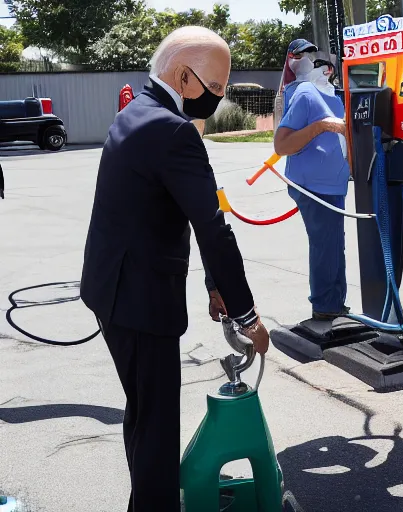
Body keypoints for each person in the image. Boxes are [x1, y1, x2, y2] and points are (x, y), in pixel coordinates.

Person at [80, 26, 269, 512]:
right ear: (185, 77)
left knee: (144, 414)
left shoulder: (137, 112)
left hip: (112, 288)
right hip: (141, 299)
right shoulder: (173, 130)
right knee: (158, 425)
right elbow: (213, 228)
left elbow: (176, 209)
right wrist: (248, 317)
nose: (221, 96)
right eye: (218, 86)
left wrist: (213, 283)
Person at [274, 54, 351, 321]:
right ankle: (325, 307)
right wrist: (322, 126)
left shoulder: (334, 95)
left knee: (333, 245)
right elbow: (282, 145)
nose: (325, 67)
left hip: (334, 184)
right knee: (326, 245)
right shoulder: (306, 93)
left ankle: (335, 305)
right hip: (314, 186)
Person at [274, 38, 318, 131]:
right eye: (300, 54)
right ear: (291, 56)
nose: (306, 58)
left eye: (309, 53)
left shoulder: (313, 85)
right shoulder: (285, 92)